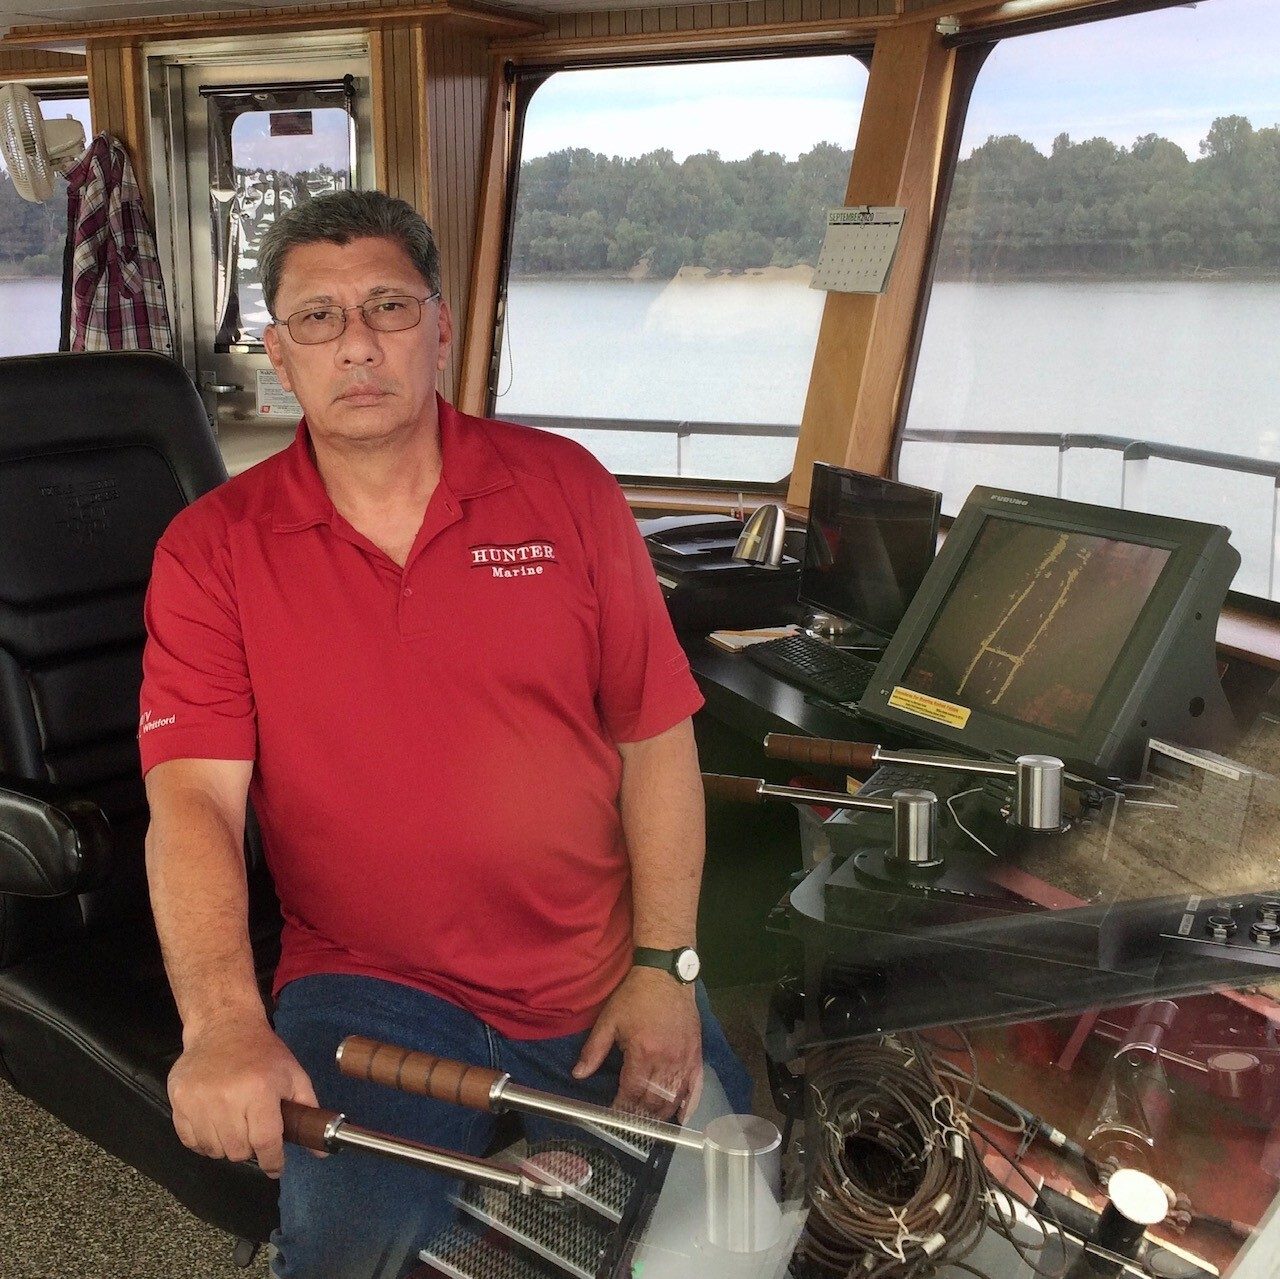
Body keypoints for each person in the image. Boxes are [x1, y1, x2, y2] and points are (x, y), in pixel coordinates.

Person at [138, 189, 751, 1279]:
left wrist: (667, 964)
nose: (358, 343)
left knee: (735, 1211)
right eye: (317, 319)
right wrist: (222, 1022)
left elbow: (655, 740)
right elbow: (193, 800)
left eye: (386, 306)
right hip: (369, 984)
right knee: (356, 1257)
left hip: (596, 970)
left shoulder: (565, 490)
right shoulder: (212, 549)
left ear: (440, 328)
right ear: (280, 354)